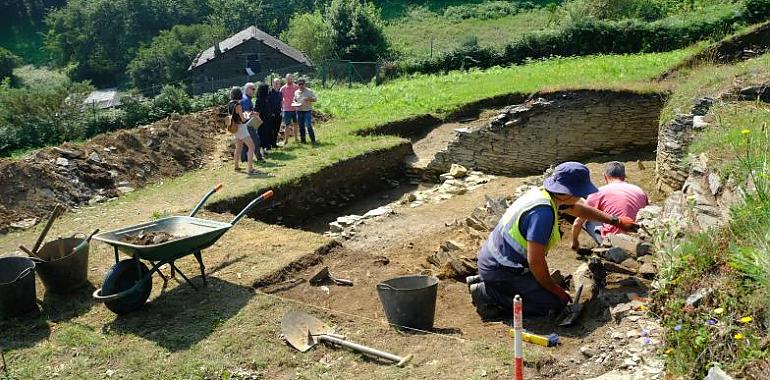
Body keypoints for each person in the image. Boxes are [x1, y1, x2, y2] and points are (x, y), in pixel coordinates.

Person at [468, 162, 637, 319]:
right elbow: (535, 261)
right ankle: (487, 293)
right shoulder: (542, 213)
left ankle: (489, 281)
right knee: (554, 305)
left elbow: (578, 209)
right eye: (580, 192)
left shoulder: (546, 194)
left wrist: (615, 221)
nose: (583, 195)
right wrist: (555, 289)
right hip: (503, 268)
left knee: (548, 291)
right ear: (567, 193)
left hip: (497, 259)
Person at [572, 161, 649, 248]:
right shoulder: (640, 191)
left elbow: (577, 223)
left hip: (615, 241)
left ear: (605, 176)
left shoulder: (598, 192)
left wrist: (574, 242)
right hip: (638, 238)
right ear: (624, 176)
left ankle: (605, 247)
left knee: (589, 221)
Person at [228, 87, 256, 174]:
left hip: (235, 128)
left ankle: (236, 166)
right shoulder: (238, 105)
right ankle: (250, 168)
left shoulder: (230, 103)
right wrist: (249, 116)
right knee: (252, 147)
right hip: (241, 128)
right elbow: (243, 119)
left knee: (239, 147)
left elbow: (234, 116)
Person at [239, 82, 263, 162]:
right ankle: (259, 157)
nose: (254, 91)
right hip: (247, 124)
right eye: (253, 89)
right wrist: (253, 114)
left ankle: (244, 159)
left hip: (243, 125)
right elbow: (246, 114)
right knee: (256, 140)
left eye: (254, 89)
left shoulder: (245, 98)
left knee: (246, 142)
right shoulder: (246, 100)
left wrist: (253, 113)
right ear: (247, 89)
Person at [293, 78, 317, 145]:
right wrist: (294, 102)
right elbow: (294, 99)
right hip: (299, 110)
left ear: (304, 84)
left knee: (308, 125)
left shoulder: (309, 91)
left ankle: (313, 139)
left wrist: (308, 99)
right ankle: (303, 140)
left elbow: (315, 99)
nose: (300, 85)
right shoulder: (296, 92)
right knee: (301, 126)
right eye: (299, 84)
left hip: (307, 111)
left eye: (302, 84)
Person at [279, 74, 299, 144]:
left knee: (296, 124)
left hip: (295, 109)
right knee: (287, 125)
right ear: (286, 79)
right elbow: (281, 100)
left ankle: (296, 138)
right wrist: (282, 108)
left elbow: (299, 97)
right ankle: (286, 140)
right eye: (288, 79)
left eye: (291, 79)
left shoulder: (296, 87)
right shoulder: (283, 89)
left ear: (293, 79)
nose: (289, 80)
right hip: (287, 109)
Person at [254, 83, 272, 157]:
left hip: (267, 120)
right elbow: (257, 112)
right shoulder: (259, 100)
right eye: (267, 89)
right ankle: (261, 151)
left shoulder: (266, 98)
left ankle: (264, 149)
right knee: (261, 135)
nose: (269, 90)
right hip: (261, 121)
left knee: (266, 134)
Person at [268, 78, 283, 149]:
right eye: (275, 83)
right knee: (271, 129)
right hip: (271, 115)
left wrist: (282, 110)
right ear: (273, 84)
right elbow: (268, 104)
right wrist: (271, 113)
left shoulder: (280, 93)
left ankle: (274, 144)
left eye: (278, 83)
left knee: (277, 129)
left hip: (279, 114)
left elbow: (281, 103)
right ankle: (269, 144)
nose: (277, 85)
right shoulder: (269, 92)